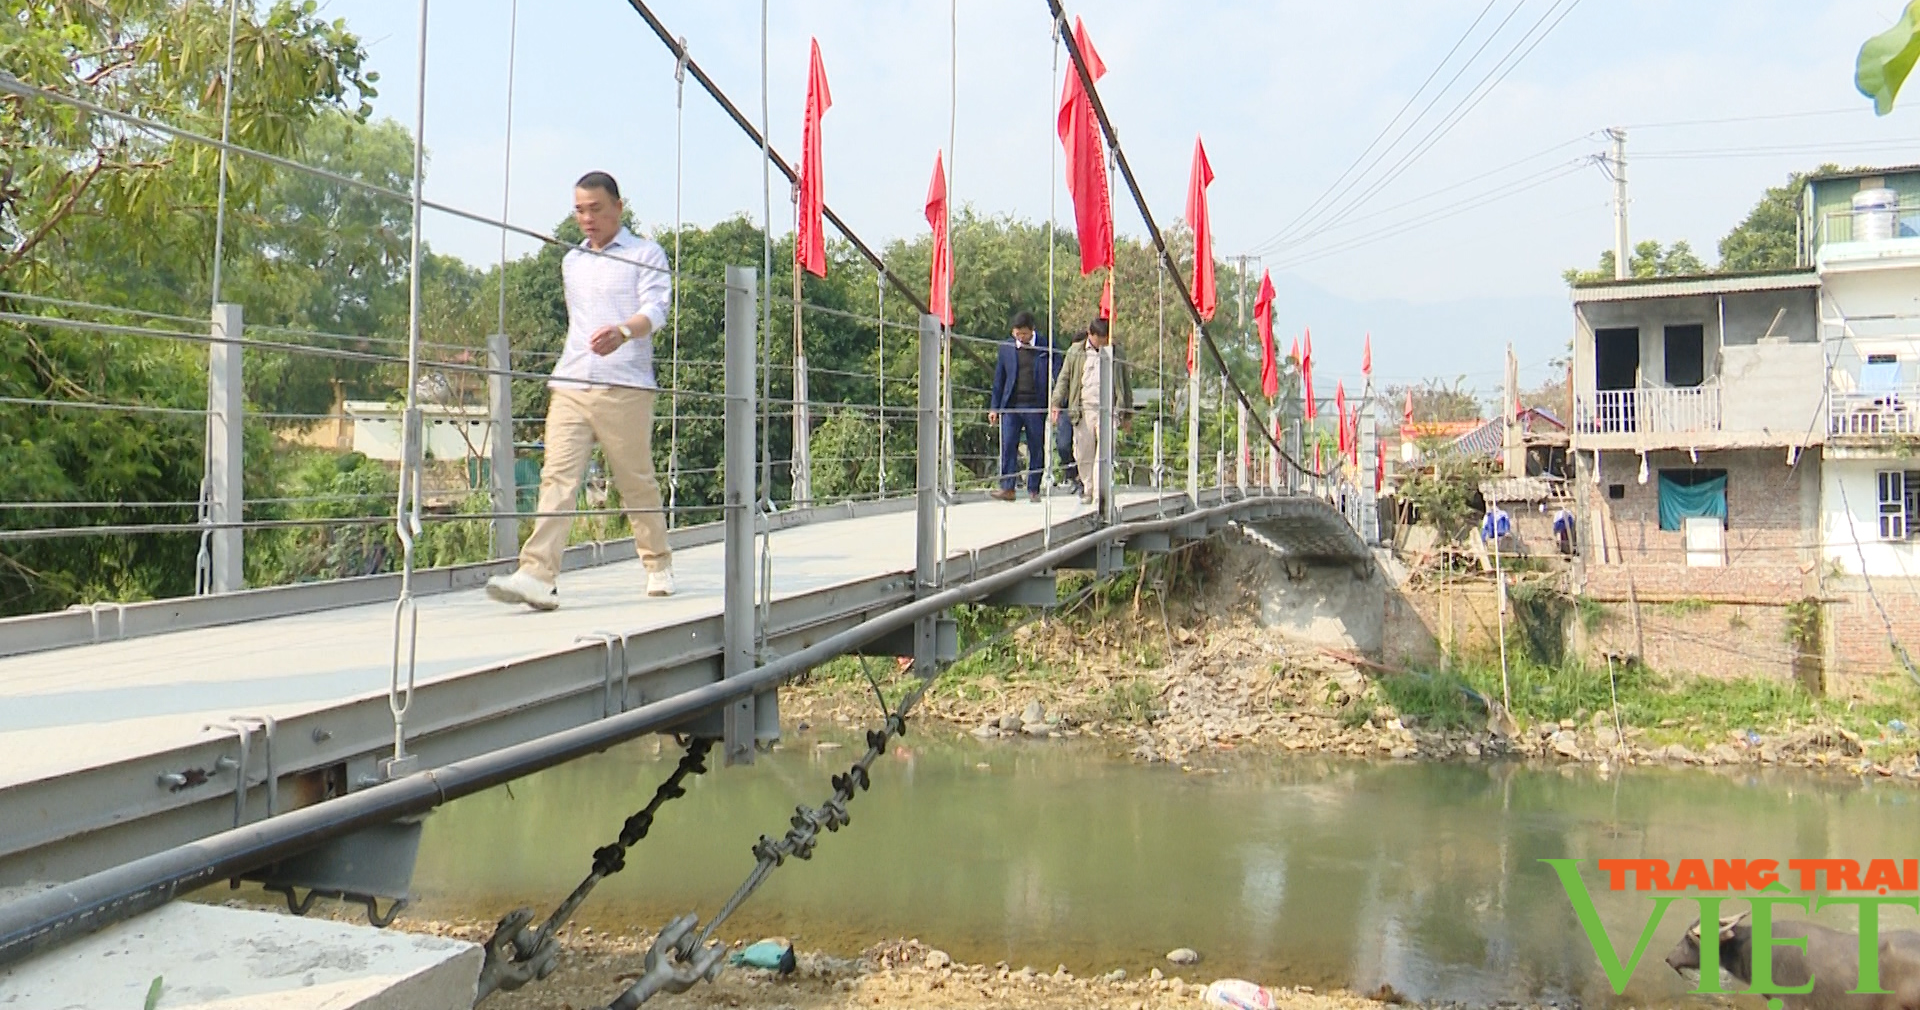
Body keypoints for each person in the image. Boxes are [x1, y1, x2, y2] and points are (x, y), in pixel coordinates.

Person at [487, 171, 674, 611]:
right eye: (579, 210)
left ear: (618, 207)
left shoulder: (646, 253)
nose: (587, 218)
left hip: (623, 384)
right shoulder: (572, 261)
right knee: (557, 477)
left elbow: (657, 310)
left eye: (596, 209)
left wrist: (624, 332)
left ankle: (657, 562)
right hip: (570, 382)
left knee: (634, 481)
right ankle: (537, 575)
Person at [1049, 318, 1133, 509]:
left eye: (1106, 338)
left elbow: (1124, 384)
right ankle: (1088, 487)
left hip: (1108, 409)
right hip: (1083, 409)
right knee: (1083, 452)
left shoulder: (1116, 352)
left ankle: (1098, 492)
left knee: (1104, 451)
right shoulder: (1076, 352)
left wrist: (1127, 414)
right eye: (1100, 339)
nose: (1104, 343)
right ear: (1091, 335)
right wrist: (1055, 403)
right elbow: (1064, 379)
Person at [988, 310, 1053, 502]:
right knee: (1008, 444)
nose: (1020, 337)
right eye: (1017, 333)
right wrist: (994, 407)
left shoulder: (1045, 346)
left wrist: (1056, 403)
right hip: (1011, 406)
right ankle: (1008, 487)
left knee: (1036, 446)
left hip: (1035, 405)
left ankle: (1034, 488)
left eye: (1024, 333)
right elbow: (999, 380)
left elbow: (1057, 371)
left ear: (1032, 331)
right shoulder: (1006, 348)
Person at [1053, 326, 1085, 496]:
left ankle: (1085, 480)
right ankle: (1073, 475)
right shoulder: (1067, 359)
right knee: (1063, 444)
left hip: (1087, 408)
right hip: (1068, 407)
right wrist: (1056, 403)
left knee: (1085, 448)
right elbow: (1061, 381)